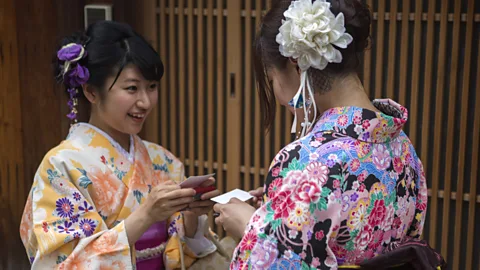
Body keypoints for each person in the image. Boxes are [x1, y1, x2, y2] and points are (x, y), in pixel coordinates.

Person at [214, 0, 428, 269]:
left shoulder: (309, 161)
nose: (279, 97)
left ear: (295, 64)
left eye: (271, 79)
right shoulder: (402, 147)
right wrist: (280, 214)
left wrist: (253, 228)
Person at [19, 21, 222, 270]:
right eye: (132, 88)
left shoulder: (163, 160)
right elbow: (62, 263)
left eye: (152, 87)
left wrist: (190, 216)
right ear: (92, 92)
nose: (145, 102)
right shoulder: (61, 166)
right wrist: (146, 215)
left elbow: (180, 252)